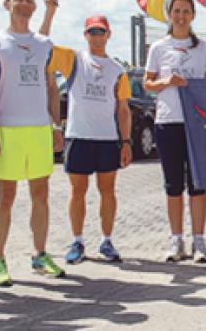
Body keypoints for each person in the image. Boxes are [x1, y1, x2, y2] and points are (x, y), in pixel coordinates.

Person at [0, 0, 66, 286]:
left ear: (35, 7)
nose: (24, 4)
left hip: (39, 128)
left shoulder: (44, 43)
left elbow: (51, 87)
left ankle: (40, 254)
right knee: (5, 197)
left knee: (41, 194)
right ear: (6, 3)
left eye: (29, 0)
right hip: (7, 128)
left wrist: (56, 126)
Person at [55, 15, 133, 265]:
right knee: (78, 191)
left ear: (109, 35)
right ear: (85, 35)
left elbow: (123, 109)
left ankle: (107, 240)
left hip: (107, 138)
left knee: (107, 191)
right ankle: (77, 240)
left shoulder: (117, 70)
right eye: (92, 32)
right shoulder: (73, 60)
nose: (97, 36)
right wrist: (50, 10)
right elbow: (43, 45)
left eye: (101, 32)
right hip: (78, 136)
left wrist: (126, 142)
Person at [144, 0, 206, 262]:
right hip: (167, 121)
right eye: (176, 11)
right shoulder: (159, 48)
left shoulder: (202, 48)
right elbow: (148, 83)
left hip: (196, 123)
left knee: (197, 184)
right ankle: (176, 241)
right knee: (173, 184)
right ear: (169, 15)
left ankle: (199, 240)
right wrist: (166, 82)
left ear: (193, 15)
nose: (181, 16)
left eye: (186, 11)